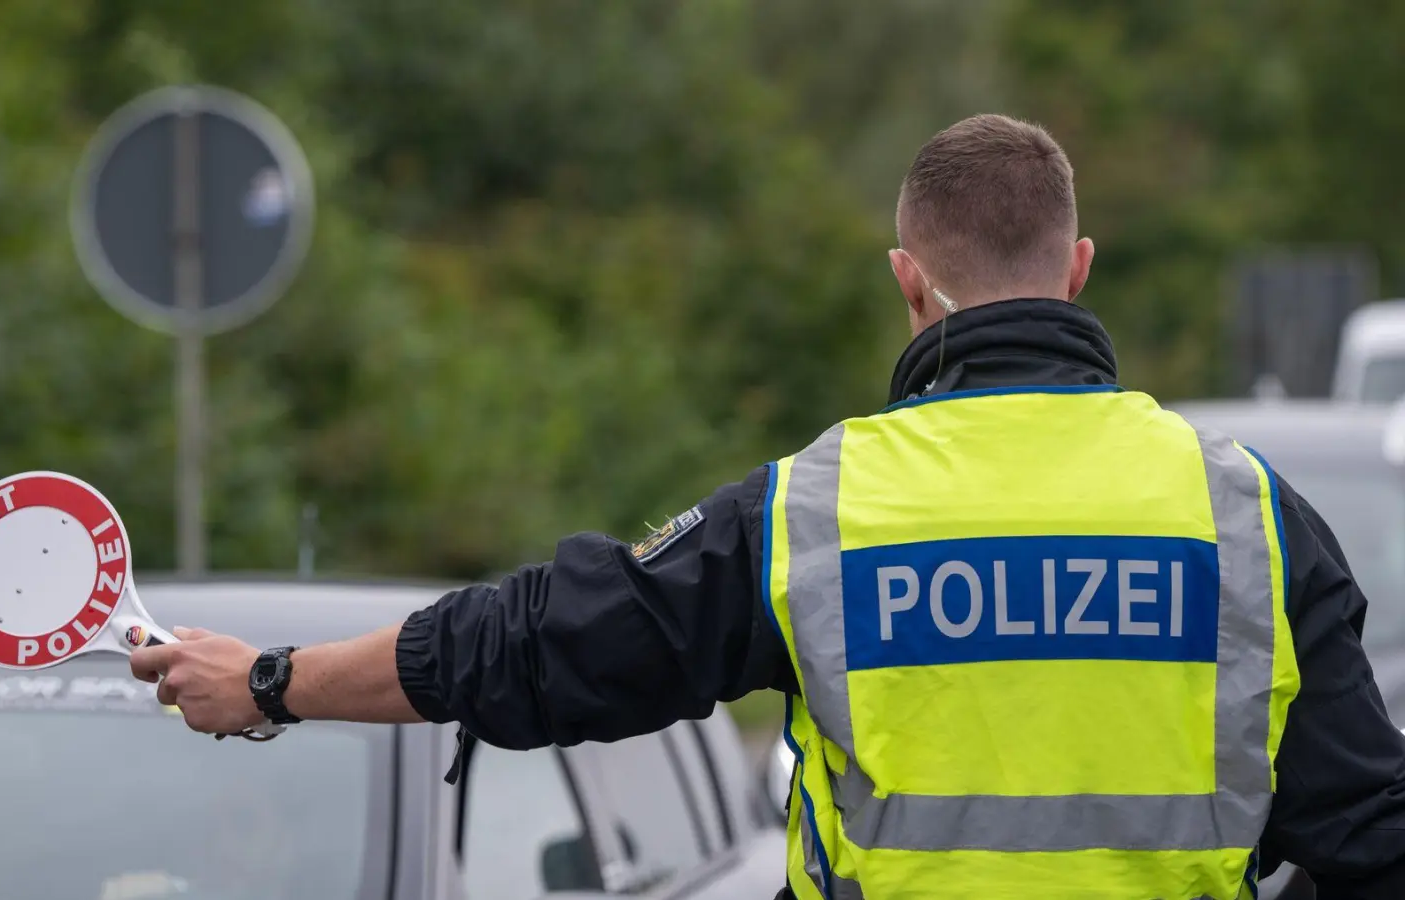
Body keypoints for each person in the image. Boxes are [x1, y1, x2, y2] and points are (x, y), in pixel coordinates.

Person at [130, 114, 1405, 899]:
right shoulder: (1243, 517)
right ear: (1075, 271)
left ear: (910, 286)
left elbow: (541, 643)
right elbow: (1366, 836)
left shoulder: (816, 513)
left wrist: (277, 681)